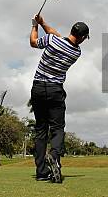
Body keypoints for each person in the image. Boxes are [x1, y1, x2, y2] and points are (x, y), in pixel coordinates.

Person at [29, 14, 89, 183]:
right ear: (82, 38)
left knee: (41, 130)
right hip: (55, 91)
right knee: (57, 128)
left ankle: (41, 172)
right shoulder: (76, 52)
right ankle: (54, 156)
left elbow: (34, 42)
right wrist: (43, 23)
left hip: (38, 88)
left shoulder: (51, 40)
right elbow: (57, 36)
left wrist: (35, 26)